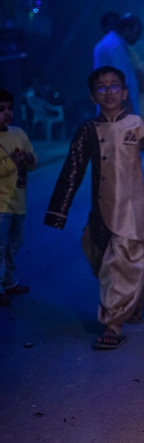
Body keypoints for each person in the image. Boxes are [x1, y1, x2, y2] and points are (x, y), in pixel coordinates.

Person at [44, 66, 144, 350]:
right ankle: (138, 299)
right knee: (99, 258)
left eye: (114, 86)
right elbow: (72, 171)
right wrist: (58, 211)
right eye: (101, 87)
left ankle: (112, 324)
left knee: (117, 265)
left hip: (131, 212)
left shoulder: (136, 124)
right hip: (100, 212)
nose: (108, 91)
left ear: (124, 93)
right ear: (92, 96)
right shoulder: (88, 130)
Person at [93, 13, 144, 213]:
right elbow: (119, 83)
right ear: (129, 28)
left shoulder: (109, 44)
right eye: (137, 32)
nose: (138, 37)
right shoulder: (115, 47)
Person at [0, 88, 36, 306]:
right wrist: (13, 160)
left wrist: (29, 158)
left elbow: (33, 162)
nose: (7, 113)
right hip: (1, 206)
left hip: (18, 204)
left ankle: (10, 282)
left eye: (9, 109)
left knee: (14, 245)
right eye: (1, 110)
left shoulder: (19, 134)